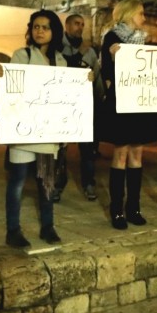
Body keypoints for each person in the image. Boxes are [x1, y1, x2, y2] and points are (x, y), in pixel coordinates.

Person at [1, 10, 70, 248]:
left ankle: (48, 227)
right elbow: (15, 86)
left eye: (45, 27)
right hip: (24, 131)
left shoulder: (60, 60)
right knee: (18, 181)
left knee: (47, 182)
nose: (39, 31)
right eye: (36, 27)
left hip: (48, 132)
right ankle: (13, 230)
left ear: (55, 32)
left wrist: (85, 81)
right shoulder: (22, 55)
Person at [98, 0, 157, 229]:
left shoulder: (142, 40)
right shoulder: (112, 38)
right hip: (122, 103)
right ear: (129, 14)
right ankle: (117, 210)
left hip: (140, 104)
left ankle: (134, 208)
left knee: (137, 154)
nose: (144, 18)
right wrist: (116, 57)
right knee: (121, 154)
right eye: (140, 13)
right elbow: (105, 71)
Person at [61, 13, 100, 201]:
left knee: (88, 150)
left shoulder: (90, 52)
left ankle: (89, 183)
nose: (80, 27)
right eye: (76, 23)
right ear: (67, 25)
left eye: (82, 25)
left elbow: (97, 78)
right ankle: (57, 185)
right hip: (62, 106)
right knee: (60, 149)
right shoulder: (57, 48)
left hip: (84, 107)